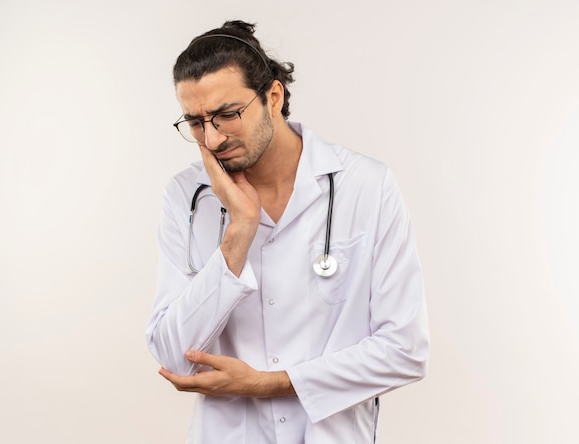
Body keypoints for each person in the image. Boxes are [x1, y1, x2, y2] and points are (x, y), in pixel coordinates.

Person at [146, 20, 430, 444]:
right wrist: (237, 234)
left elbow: (405, 351)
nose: (212, 138)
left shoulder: (365, 186)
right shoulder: (187, 196)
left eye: (227, 115)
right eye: (195, 122)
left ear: (272, 97)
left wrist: (271, 382)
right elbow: (173, 357)